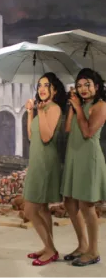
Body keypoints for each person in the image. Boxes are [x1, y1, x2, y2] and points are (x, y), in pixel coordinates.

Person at [61, 68, 106, 267]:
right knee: (69, 202)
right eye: (79, 85)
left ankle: (94, 251)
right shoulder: (80, 104)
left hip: (88, 157)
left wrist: (79, 108)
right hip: (74, 155)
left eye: (87, 84)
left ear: (96, 86)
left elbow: (88, 132)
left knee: (86, 205)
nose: (83, 88)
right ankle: (82, 245)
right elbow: (69, 129)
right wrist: (73, 107)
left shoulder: (101, 105)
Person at [24, 72, 66, 266]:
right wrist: (31, 112)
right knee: (41, 208)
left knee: (30, 209)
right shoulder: (42, 108)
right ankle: (48, 246)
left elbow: (47, 136)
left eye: (46, 85)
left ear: (54, 90)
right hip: (37, 161)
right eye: (40, 85)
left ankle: (51, 249)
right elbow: (32, 136)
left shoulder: (54, 108)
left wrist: (40, 112)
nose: (41, 88)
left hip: (46, 164)